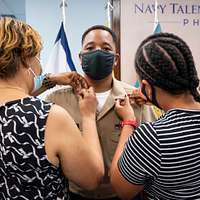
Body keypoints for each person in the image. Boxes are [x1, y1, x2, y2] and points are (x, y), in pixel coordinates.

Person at [46, 25, 156, 200]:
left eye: (106, 48)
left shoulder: (136, 100)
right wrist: (50, 79)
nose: (97, 52)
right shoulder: (57, 100)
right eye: (90, 48)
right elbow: (16, 102)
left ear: (115, 59)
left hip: (122, 195)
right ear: (80, 58)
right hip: (74, 194)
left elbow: (152, 153)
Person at [0, 17, 104, 199]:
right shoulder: (47, 117)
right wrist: (88, 116)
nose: (40, 67)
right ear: (26, 59)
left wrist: (51, 80)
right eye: (38, 58)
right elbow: (91, 178)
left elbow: (12, 103)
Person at [110, 33, 200, 200]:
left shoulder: (152, 137)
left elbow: (121, 188)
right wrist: (155, 101)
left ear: (147, 87)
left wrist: (129, 122)